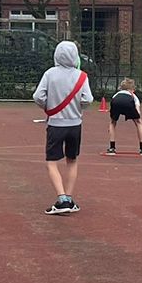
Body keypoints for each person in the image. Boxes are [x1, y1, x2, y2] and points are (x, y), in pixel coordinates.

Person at [32, 39, 92, 214]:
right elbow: (88, 99)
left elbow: (38, 96)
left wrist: (47, 106)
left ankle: (62, 198)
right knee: (72, 160)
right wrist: (78, 108)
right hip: (75, 124)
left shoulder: (50, 74)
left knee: (52, 162)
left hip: (56, 123)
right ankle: (70, 197)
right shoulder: (82, 76)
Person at [106, 77, 142, 155]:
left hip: (116, 102)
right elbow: (138, 112)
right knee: (139, 123)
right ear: (131, 89)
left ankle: (112, 148)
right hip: (128, 102)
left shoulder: (116, 94)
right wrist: (136, 117)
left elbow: (113, 103)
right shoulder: (133, 96)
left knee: (112, 122)